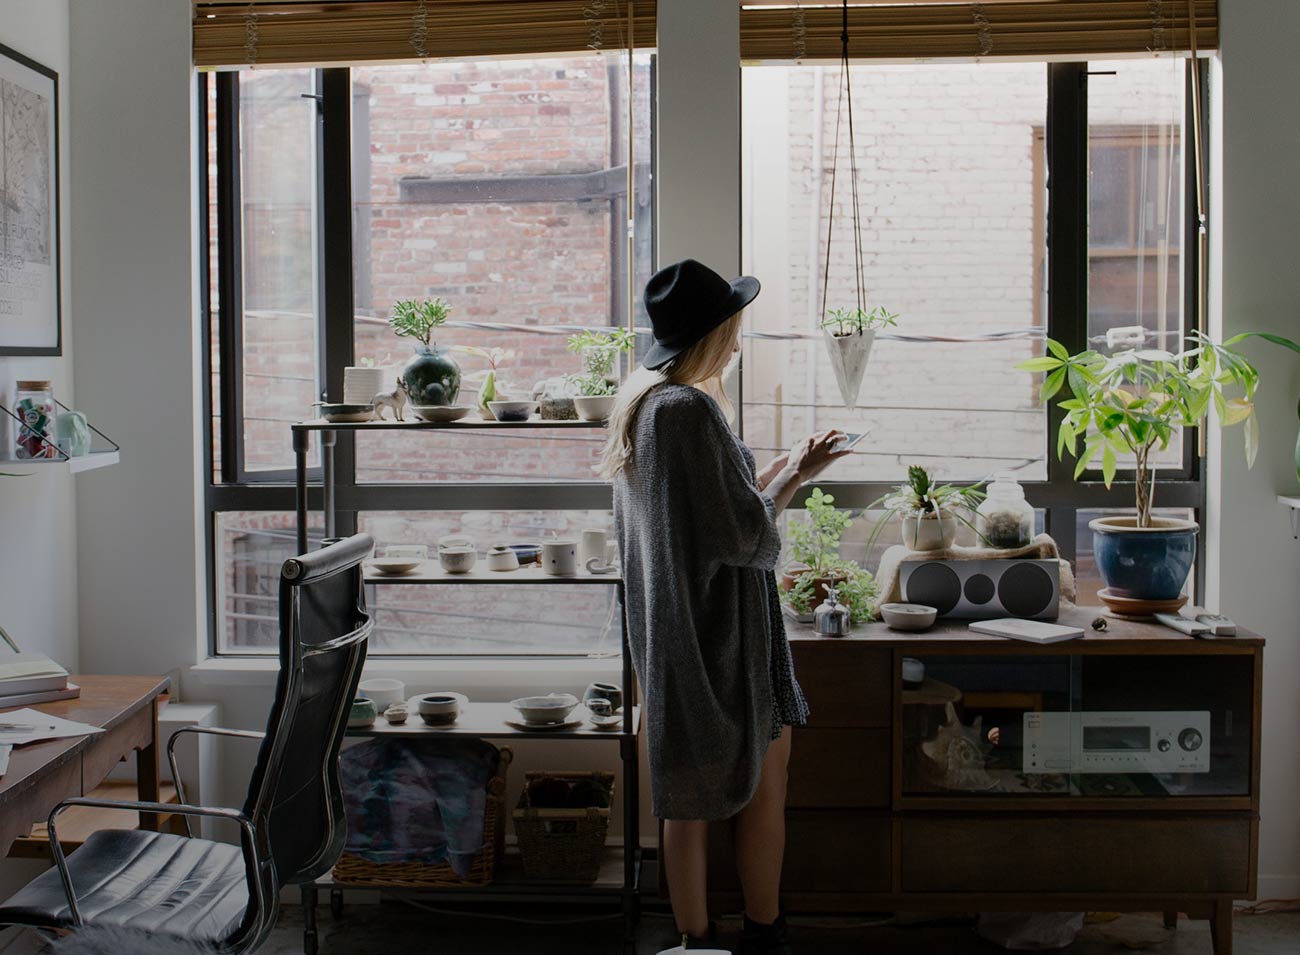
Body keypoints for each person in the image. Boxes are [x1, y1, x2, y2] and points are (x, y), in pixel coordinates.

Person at [599, 259, 848, 954]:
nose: (737, 345)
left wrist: (775, 470)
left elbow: (706, 511)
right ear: (712, 335)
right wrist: (796, 478)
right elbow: (745, 535)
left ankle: (695, 941)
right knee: (767, 787)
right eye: (732, 331)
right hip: (726, 643)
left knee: (684, 800)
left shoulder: (645, 407)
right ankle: (764, 932)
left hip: (675, 641)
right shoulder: (692, 409)